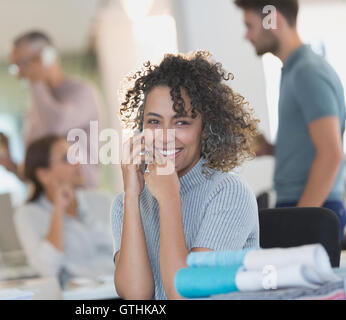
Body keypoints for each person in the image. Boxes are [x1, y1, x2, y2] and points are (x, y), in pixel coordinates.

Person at [111, 52, 260, 300]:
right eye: (154, 122)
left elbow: (186, 297)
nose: (166, 136)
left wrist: (170, 198)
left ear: (205, 128)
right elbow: (136, 296)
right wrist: (131, 196)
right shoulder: (125, 203)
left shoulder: (228, 192)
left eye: (181, 122)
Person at [235, 0, 346, 240]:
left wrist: (299, 221)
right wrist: (271, 149)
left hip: (313, 206)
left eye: (250, 25)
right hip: (305, 203)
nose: (247, 36)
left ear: (272, 19)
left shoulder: (308, 72)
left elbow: (331, 154)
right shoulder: (294, 71)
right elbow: (314, 147)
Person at [0, 31, 102, 188]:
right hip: (49, 204)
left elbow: (54, 127)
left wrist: (36, 82)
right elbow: (38, 173)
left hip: (81, 200)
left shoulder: (82, 92)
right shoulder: (37, 107)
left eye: (23, 64)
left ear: (48, 56)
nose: (20, 74)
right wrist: (11, 165)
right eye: (16, 67)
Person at [13, 135, 114, 287]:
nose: (78, 163)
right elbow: (47, 269)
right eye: (67, 159)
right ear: (43, 175)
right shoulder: (28, 215)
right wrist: (58, 210)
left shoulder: (103, 200)